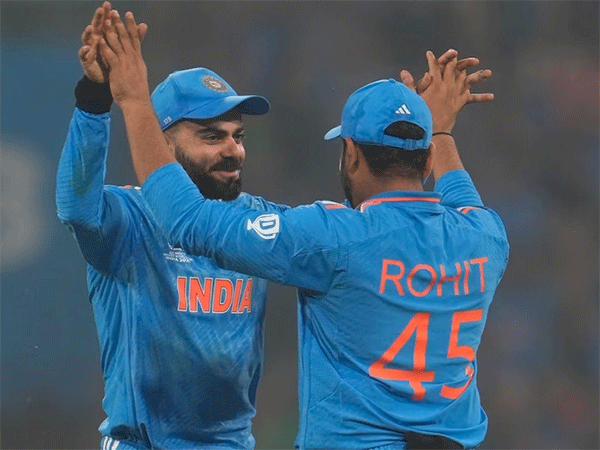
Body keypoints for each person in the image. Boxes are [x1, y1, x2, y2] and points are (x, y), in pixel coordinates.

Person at [98, 9, 509, 450]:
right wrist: (439, 131)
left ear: (350, 154)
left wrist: (134, 100)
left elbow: (189, 220)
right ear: (427, 162)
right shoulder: (486, 236)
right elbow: (460, 195)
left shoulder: (332, 237)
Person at [55, 3, 289, 449]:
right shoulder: (130, 218)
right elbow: (77, 207)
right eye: (211, 135)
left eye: (237, 135)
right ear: (160, 143)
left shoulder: (259, 222)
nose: (234, 150)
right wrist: (94, 100)